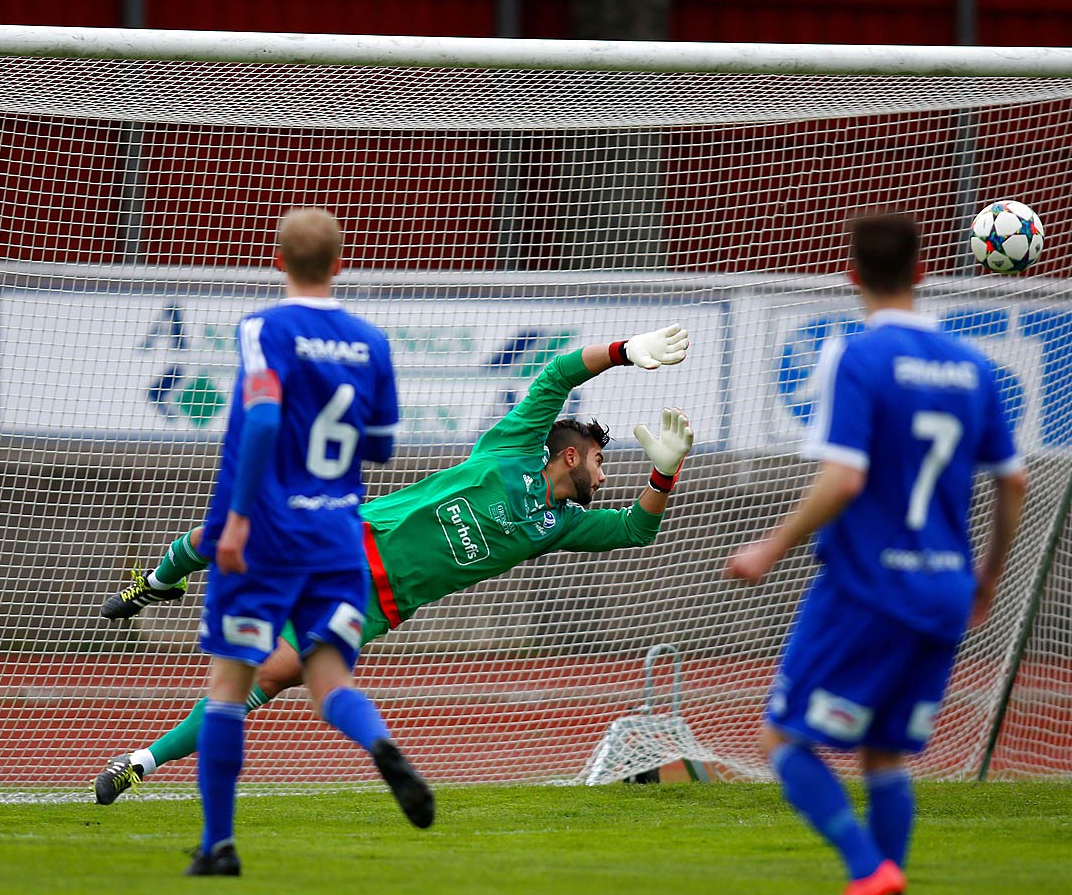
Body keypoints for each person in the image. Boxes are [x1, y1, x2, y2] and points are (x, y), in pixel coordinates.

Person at [95, 326, 697, 804]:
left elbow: (636, 529)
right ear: (569, 454)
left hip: (374, 602)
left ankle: (137, 764)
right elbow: (557, 373)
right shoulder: (511, 448)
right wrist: (624, 352)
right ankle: (154, 583)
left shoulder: (559, 524)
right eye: (598, 460)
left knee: (272, 675)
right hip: (351, 535)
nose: (602, 472)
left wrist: (663, 471)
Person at [724, 212, 1027, 895]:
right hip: (946, 592)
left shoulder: (855, 359)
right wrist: (987, 575)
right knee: (885, 756)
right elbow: (1015, 484)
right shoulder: (973, 367)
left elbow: (845, 477)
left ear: (851, 273)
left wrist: (771, 545)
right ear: (922, 272)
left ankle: (866, 873)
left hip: (866, 585)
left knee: (784, 742)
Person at [182, 206, 423, 877]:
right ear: (340, 263)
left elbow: (261, 419)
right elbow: (380, 446)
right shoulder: (371, 341)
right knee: (330, 681)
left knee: (229, 687)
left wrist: (235, 521)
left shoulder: (264, 326)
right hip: (340, 535)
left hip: (268, 534)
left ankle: (218, 846)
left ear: (279, 260)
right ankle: (381, 746)